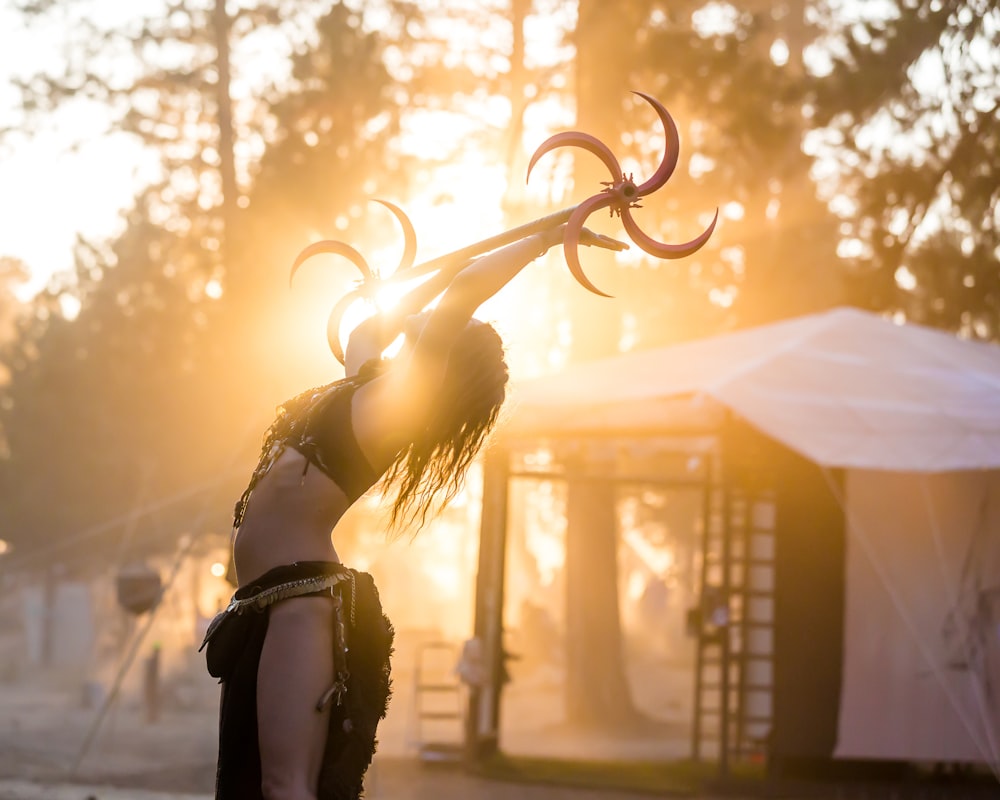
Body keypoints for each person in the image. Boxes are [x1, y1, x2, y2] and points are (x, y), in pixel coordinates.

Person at [200, 222, 625, 800]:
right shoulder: (362, 383)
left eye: (454, 331)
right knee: (252, 787)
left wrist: (553, 232)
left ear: (448, 362)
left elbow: (465, 288)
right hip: (255, 602)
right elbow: (371, 326)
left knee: (286, 786)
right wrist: (398, 299)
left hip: (299, 602)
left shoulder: (398, 404)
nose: (434, 322)